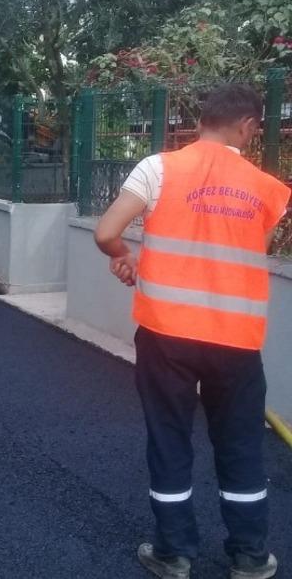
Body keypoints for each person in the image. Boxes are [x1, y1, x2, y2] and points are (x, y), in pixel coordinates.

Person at [95, 84, 290, 579]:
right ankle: (248, 556)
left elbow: (105, 233)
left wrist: (125, 258)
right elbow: (245, 253)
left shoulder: (158, 168)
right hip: (236, 341)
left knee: (169, 438)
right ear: (248, 126)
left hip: (167, 335)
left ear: (201, 119)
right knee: (242, 443)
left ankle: (172, 553)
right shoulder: (267, 188)